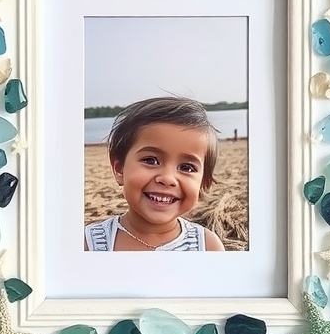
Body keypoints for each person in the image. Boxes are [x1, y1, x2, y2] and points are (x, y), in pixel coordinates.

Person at [85, 97, 225, 252]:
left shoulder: (207, 246)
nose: (167, 179)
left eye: (187, 167)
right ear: (119, 168)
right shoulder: (91, 244)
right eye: (151, 160)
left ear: (203, 183)